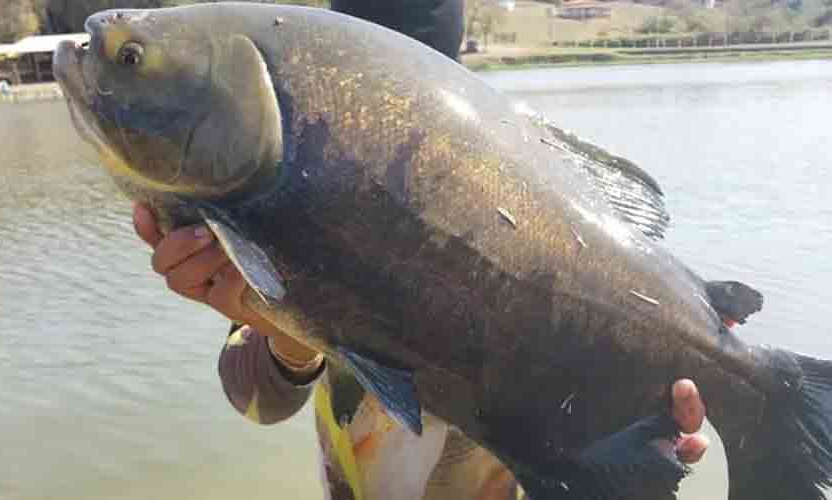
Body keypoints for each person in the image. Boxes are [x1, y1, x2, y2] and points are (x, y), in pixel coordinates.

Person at [133, 1, 709, 498]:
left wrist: (645, 438)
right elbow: (257, 400)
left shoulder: (522, 168)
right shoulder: (291, 172)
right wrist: (284, 332)